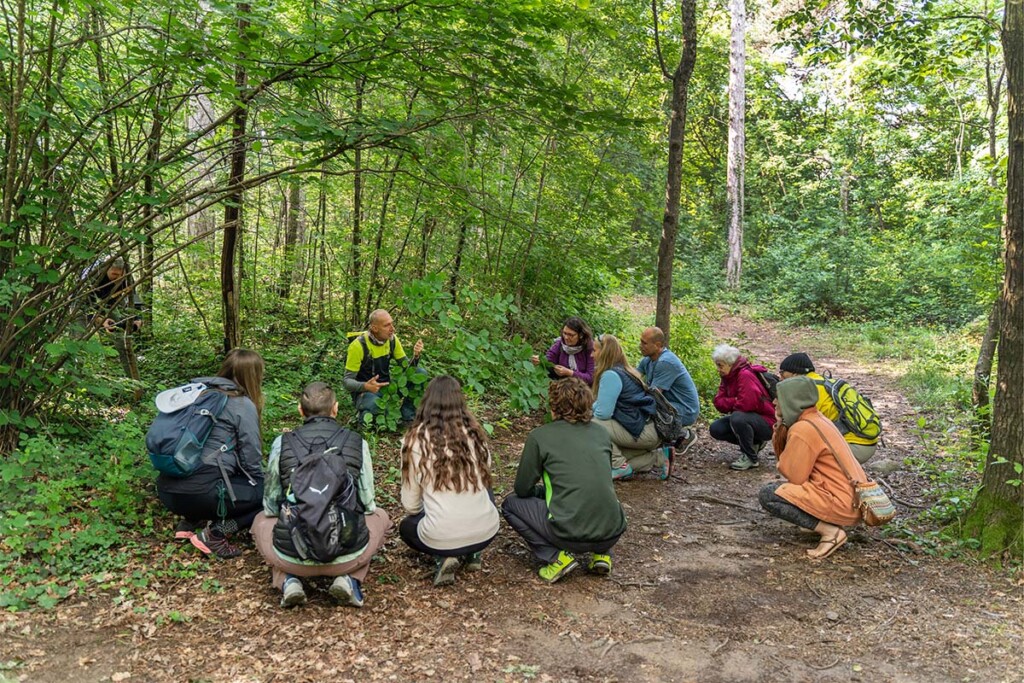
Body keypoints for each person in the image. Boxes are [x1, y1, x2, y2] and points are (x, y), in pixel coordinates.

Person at [251, 381, 391, 608]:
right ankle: (350, 578)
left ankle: (287, 580)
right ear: (335, 408)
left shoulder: (282, 443)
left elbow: (271, 505)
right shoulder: (357, 442)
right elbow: (367, 503)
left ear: (300, 410)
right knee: (380, 516)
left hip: (292, 556)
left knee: (261, 520)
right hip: (347, 554)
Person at [502, 377, 627, 583]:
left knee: (510, 504)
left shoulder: (540, 436)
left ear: (554, 406)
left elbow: (522, 489)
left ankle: (556, 558)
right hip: (613, 529)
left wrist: (539, 492)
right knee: (598, 497)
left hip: (568, 534)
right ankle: (602, 555)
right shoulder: (601, 433)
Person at [156, 349, 265, 559]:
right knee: (271, 496)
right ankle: (216, 533)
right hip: (202, 494)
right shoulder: (241, 404)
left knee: (213, 471)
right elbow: (250, 459)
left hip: (167, 492)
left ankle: (188, 522)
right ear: (254, 376)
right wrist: (263, 486)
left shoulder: (196, 395)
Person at [399, 376, 500, 586]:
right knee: (483, 486)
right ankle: (474, 553)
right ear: (460, 402)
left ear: (427, 402)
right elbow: (485, 476)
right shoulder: (475, 434)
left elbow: (410, 506)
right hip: (487, 530)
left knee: (407, 527)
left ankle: (443, 556)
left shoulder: (415, 440)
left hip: (440, 535)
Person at [758, 376, 869, 560]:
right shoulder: (818, 418)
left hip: (841, 502)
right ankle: (820, 522)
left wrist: (778, 429)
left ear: (793, 400)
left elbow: (794, 476)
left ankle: (830, 532)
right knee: (785, 491)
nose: (775, 402)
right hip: (854, 499)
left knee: (770, 495)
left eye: (780, 397)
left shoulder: (803, 428)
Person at [592, 334, 672, 480]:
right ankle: (659, 457)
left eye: (594, 350)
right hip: (648, 429)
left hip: (642, 431)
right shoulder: (625, 370)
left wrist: (585, 412)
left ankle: (619, 466)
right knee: (604, 460)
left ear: (604, 353)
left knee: (592, 425)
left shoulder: (611, 375)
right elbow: (603, 404)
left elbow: (603, 414)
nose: (591, 355)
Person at [779, 353, 878, 464]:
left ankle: (833, 478)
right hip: (868, 442)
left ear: (794, 372)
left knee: (806, 457)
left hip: (852, 447)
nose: (780, 377)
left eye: (782, 372)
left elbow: (799, 430)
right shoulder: (826, 383)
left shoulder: (805, 391)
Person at [343, 308, 425, 425]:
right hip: (366, 392)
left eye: (392, 323)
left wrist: (416, 356)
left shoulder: (392, 340)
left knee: (420, 373)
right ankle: (363, 417)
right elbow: (347, 382)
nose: (392, 329)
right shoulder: (358, 346)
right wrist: (365, 386)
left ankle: (407, 417)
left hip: (387, 388)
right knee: (377, 407)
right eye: (387, 325)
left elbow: (407, 370)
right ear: (375, 328)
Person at [81, 256, 145, 396]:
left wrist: (138, 318)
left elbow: (133, 296)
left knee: (122, 341)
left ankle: (136, 387)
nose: (117, 278)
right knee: (77, 344)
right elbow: (85, 304)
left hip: (109, 304)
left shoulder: (126, 275)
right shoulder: (93, 276)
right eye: (114, 275)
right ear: (106, 269)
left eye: (120, 275)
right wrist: (100, 320)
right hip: (82, 307)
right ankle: (74, 385)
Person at [709, 344, 776, 471]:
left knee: (738, 418)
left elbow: (747, 404)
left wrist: (731, 402)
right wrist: (735, 400)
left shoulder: (745, 375)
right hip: (750, 419)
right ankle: (755, 443)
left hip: (768, 422)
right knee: (716, 428)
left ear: (730, 364)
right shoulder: (727, 377)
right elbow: (718, 402)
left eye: (720, 365)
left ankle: (750, 457)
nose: (718, 369)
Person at [637, 326, 700, 453]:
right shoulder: (648, 360)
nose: (640, 346)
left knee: (648, 408)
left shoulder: (665, 362)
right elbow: (632, 377)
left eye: (644, 343)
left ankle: (683, 435)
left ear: (657, 345)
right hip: (671, 405)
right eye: (641, 341)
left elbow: (654, 396)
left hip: (685, 409)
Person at [530, 316, 596, 385]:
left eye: (571, 335)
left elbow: (590, 378)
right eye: (565, 333)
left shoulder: (589, 348)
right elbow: (549, 358)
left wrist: (569, 373)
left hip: (583, 388)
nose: (566, 338)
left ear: (581, 335)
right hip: (563, 386)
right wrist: (540, 360)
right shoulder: (560, 344)